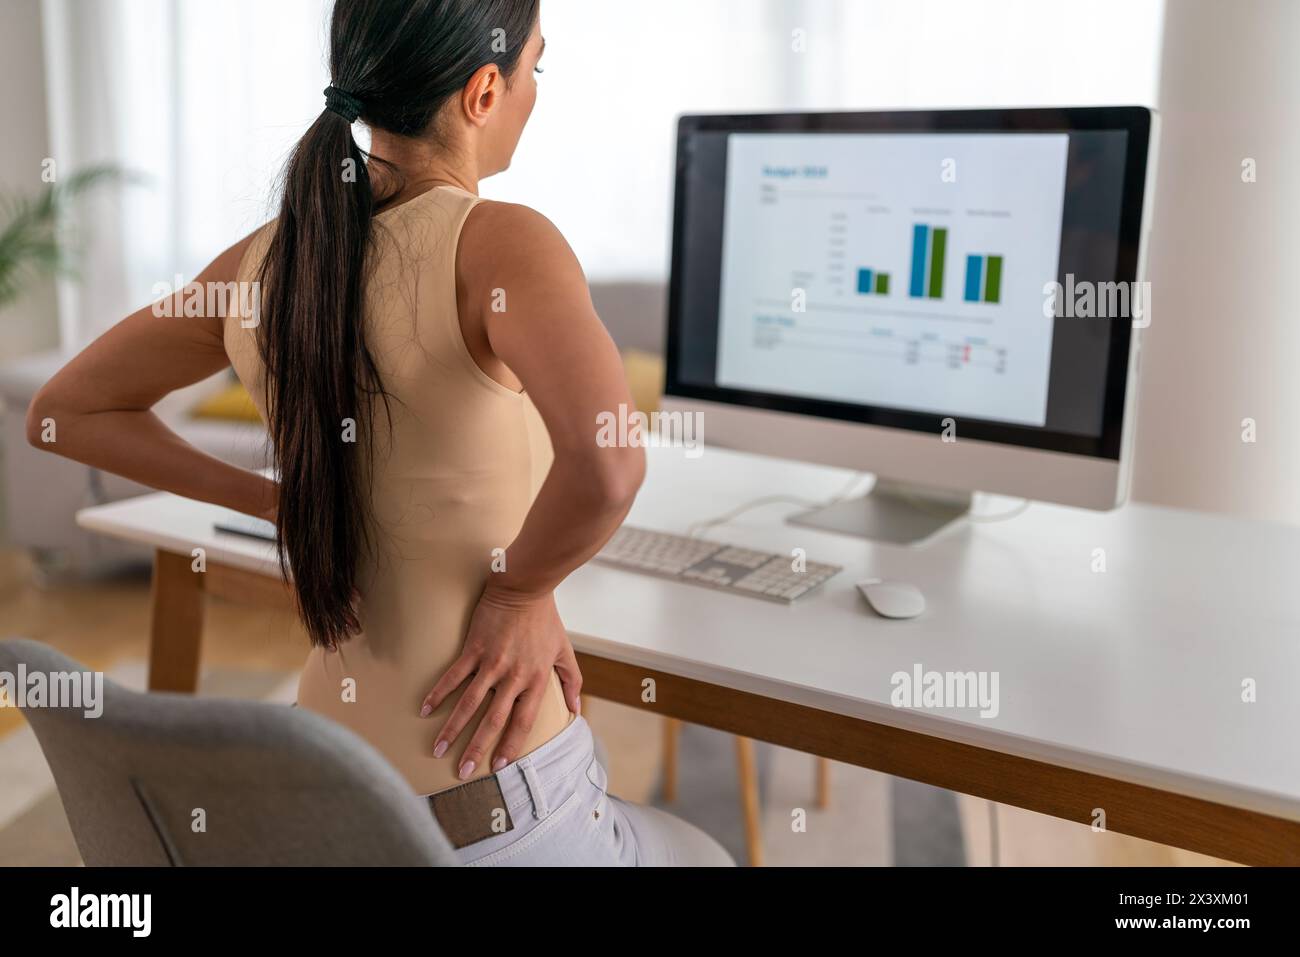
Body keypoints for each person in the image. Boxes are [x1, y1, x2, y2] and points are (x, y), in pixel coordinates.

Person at [28, 0, 733, 867]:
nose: (534, 92)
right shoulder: (503, 242)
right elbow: (608, 463)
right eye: (534, 70)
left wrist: (273, 502)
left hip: (330, 807)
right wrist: (517, 590)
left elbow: (63, 411)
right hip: (495, 812)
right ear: (483, 91)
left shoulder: (269, 256)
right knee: (704, 847)